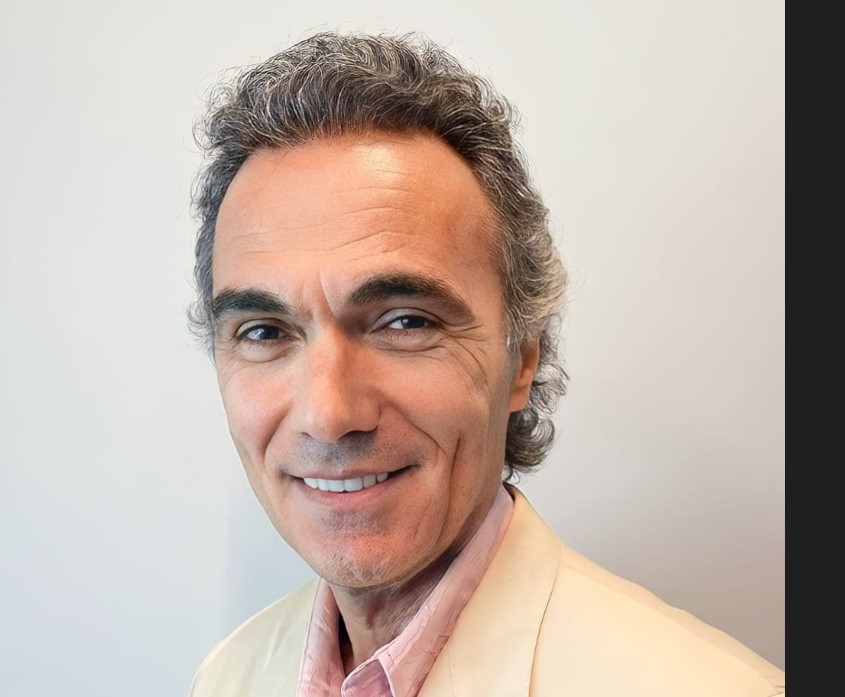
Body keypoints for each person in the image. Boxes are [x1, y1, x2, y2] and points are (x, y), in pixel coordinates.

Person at [186, 31, 784, 697]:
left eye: (405, 322)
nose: (328, 415)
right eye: (264, 331)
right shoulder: (228, 676)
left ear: (522, 355)